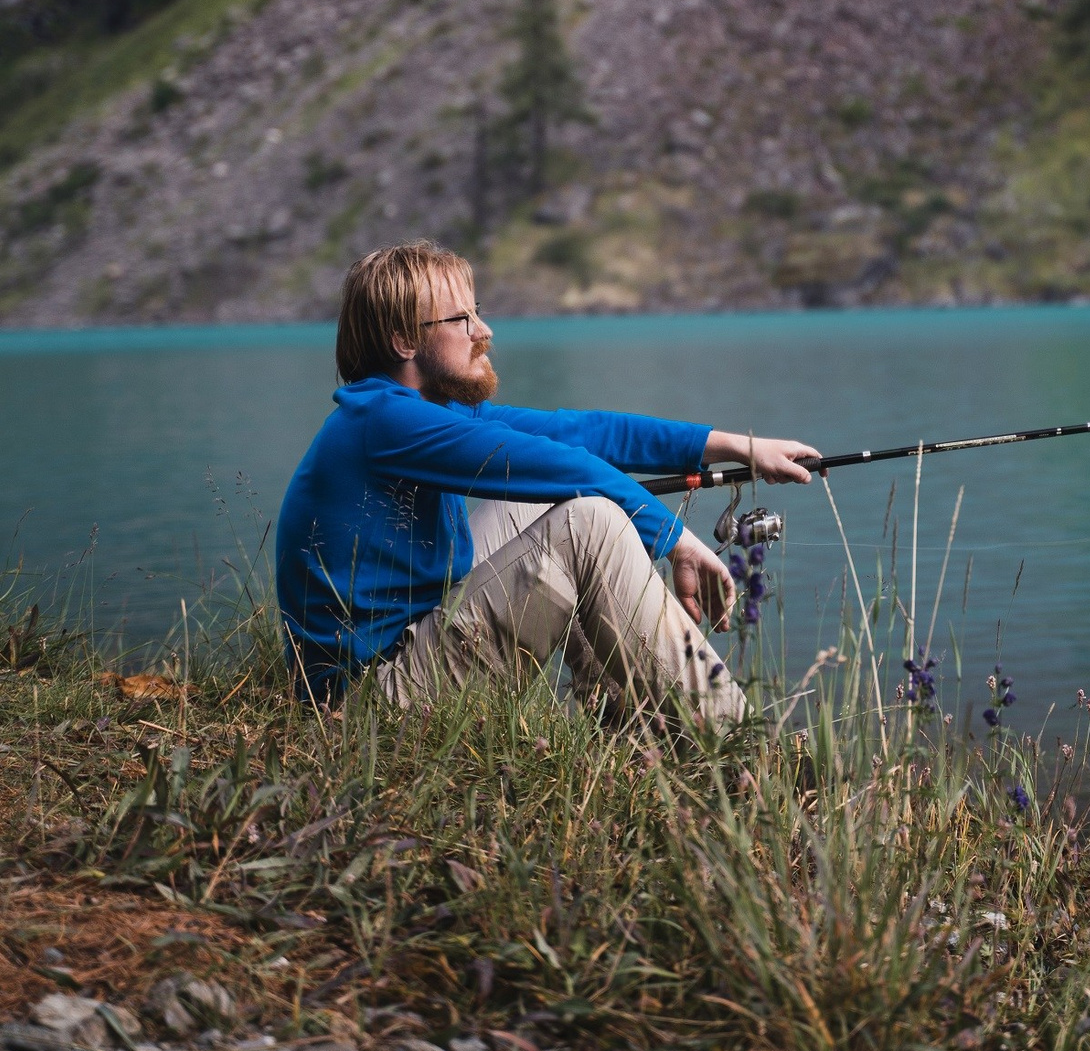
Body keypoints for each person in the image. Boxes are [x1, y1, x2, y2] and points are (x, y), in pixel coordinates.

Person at [274, 241, 818, 726]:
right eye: (461, 319)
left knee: (545, 508)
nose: (484, 333)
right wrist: (676, 540)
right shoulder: (385, 423)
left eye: (478, 313)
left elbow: (583, 434)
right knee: (590, 520)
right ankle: (744, 750)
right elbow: (574, 472)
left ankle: (624, 714)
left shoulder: (419, 412)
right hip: (367, 709)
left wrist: (739, 445)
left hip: (404, 656)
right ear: (403, 341)